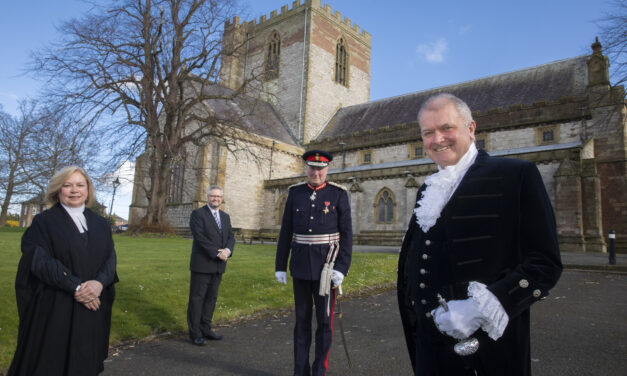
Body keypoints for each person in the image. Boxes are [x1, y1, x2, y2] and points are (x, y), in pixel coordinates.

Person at [397, 93, 563, 376]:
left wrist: (482, 308)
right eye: (428, 133)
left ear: (471, 129)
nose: (437, 139)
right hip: (430, 349)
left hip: (488, 352)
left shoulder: (516, 175)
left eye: (447, 128)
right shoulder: (427, 189)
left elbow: (545, 263)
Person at [9, 166, 118, 376]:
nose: (74, 190)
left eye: (80, 185)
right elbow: (40, 261)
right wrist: (76, 287)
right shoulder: (44, 222)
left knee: (85, 361)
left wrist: (99, 284)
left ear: (88, 189)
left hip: (92, 304)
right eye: (67, 185)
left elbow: (110, 258)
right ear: (58, 190)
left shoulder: (100, 223)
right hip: (56, 304)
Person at [275, 150, 352, 376]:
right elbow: (286, 231)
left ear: (327, 170)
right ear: (306, 168)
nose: (316, 172)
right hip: (300, 267)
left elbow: (346, 234)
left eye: (320, 169)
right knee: (301, 323)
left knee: (324, 324)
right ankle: (300, 371)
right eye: (312, 168)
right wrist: (280, 265)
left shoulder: (338, 194)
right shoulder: (295, 193)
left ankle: (319, 371)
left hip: (327, 268)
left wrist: (342, 268)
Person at [187, 185, 235, 345]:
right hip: (202, 264)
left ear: (222, 199)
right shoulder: (198, 214)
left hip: (218, 266)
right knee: (197, 299)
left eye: (219, 197)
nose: (216, 199)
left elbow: (231, 237)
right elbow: (199, 238)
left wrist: (227, 250)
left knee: (211, 299)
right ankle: (195, 333)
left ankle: (206, 329)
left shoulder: (225, 216)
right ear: (208, 197)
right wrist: (217, 253)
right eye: (213, 196)